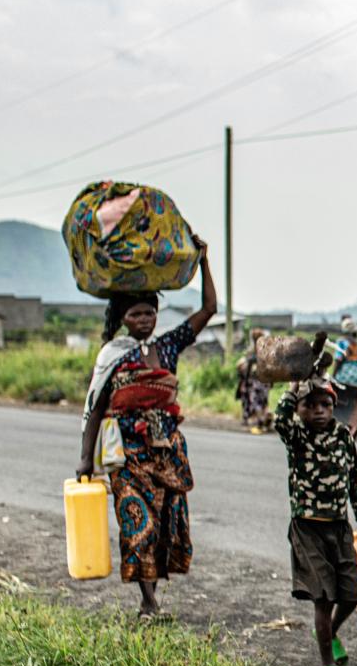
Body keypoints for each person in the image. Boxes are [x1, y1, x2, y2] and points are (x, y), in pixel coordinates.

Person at [76, 240, 218, 620]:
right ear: (124, 318)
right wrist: (84, 460)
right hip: (127, 453)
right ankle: (148, 602)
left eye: (150, 314)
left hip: (166, 450)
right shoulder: (112, 355)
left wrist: (204, 262)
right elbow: (94, 409)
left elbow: (209, 309)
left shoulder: (168, 347)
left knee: (165, 525)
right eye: (137, 314)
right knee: (137, 522)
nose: (144, 320)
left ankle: (153, 597)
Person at [276, 368, 357, 666]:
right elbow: (279, 420)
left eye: (325, 405)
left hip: (339, 527)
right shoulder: (296, 436)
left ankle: (327, 631)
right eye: (310, 405)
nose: (318, 411)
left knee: (352, 593)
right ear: (299, 409)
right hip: (307, 527)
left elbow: (354, 479)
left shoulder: (343, 436)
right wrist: (292, 387)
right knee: (323, 596)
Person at [327, 315, 357, 430]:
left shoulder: (341, 342)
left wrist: (333, 377)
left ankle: (342, 430)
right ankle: (354, 431)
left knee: (342, 408)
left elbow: (338, 360)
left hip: (344, 377)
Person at [235, 329, 273, 433]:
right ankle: (262, 422)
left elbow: (241, 366)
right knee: (261, 403)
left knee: (256, 403)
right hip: (262, 383)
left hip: (255, 384)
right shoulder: (265, 352)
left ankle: (260, 422)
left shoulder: (254, 353)